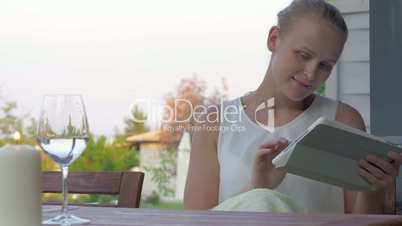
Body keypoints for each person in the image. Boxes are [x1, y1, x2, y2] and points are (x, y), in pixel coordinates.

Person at [183, 0, 402, 214]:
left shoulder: (343, 120)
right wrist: (258, 189)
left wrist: (374, 189)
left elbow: (360, 223)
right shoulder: (217, 123)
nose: (311, 74)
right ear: (274, 39)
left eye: (325, 65)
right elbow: (196, 222)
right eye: (303, 55)